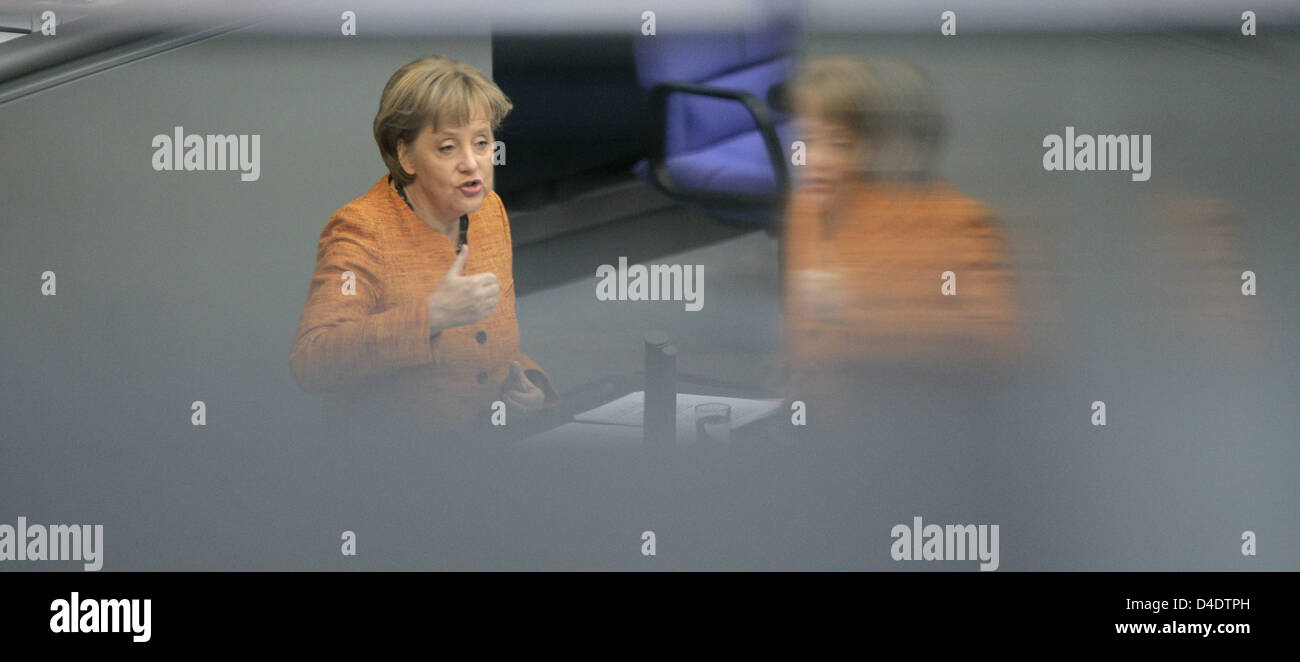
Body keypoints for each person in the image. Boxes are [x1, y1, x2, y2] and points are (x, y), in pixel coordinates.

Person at [289, 55, 559, 442]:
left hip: (488, 453)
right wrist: (430, 318)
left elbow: (491, 349)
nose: (472, 163)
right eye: (448, 148)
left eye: (482, 143)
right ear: (406, 155)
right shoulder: (361, 231)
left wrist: (529, 387)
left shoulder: (489, 212)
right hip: (393, 471)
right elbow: (312, 361)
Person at [782, 57, 1024, 431]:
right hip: (819, 440)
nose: (815, 160)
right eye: (807, 140)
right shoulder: (807, 210)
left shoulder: (959, 221)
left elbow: (1000, 353)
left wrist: (860, 313)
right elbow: (801, 350)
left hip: (917, 445)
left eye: (840, 143)